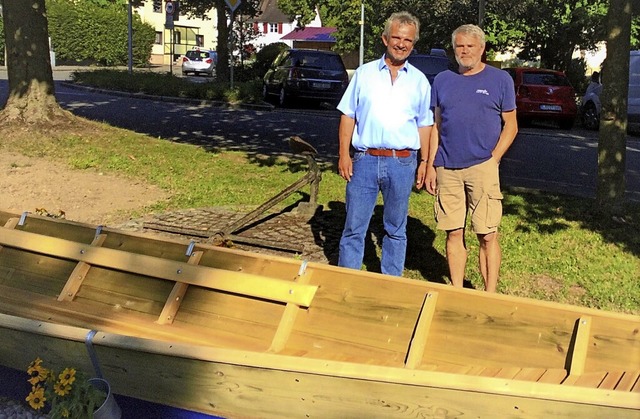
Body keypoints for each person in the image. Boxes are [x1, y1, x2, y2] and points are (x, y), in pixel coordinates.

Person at [336, 11, 433, 276]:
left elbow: (425, 124)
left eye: (408, 40)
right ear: (385, 39)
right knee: (354, 227)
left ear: (414, 43)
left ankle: (391, 283)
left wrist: (426, 162)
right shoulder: (364, 74)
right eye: (397, 38)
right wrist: (344, 154)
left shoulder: (420, 81)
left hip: (403, 162)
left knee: (396, 228)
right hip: (364, 160)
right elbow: (348, 116)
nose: (401, 44)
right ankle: (346, 280)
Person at [423, 24, 518, 292]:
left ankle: (489, 294)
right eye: (459, 46)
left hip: (483, 168)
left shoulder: (500, 81)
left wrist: (494, 159)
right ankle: (456, 289)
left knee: (487, 234)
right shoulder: (442, 80)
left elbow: (511, 126)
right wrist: (430, 165)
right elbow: (437, 126)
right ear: (453, 50)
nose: (464, 51)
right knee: (453, 232)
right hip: (447, 167)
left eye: (470, 46)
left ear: (482, 48)